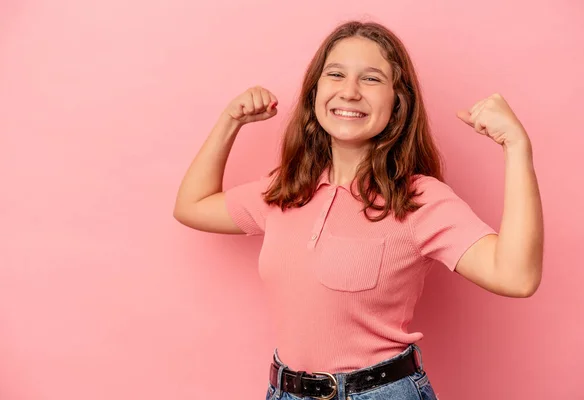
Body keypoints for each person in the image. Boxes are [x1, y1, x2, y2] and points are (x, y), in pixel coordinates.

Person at [173, 20, 543, 400]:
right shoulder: (287, 190)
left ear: (398, 102)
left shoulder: (419, 200)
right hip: (285, 391)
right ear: (315, 92)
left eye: (371, 79)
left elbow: (516, 277)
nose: (349, 92)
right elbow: (192, 206)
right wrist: (230, 121)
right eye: (335, 74)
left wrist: (516, 147)